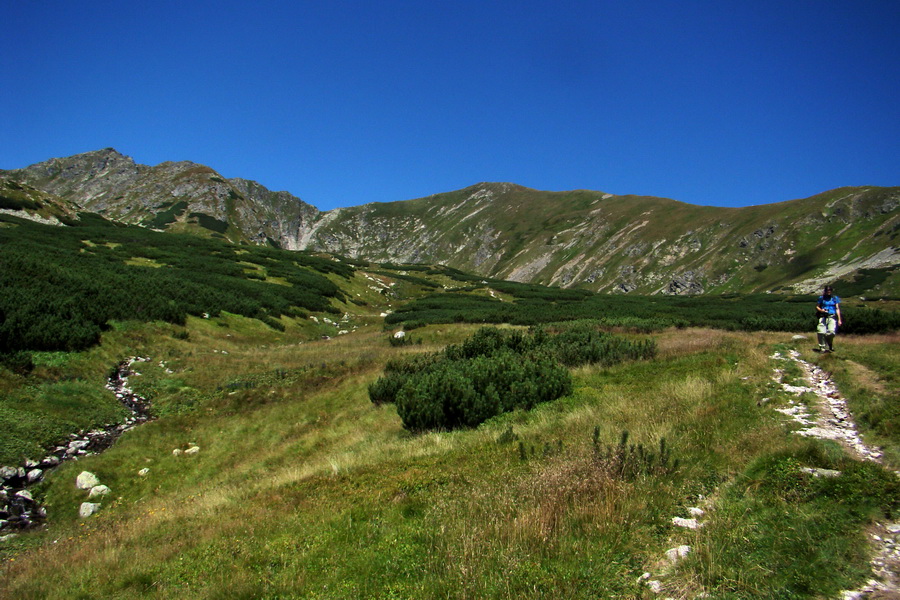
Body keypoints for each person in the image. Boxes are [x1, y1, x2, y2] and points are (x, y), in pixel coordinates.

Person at [815, 285, 842, 352]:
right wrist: (821, 310)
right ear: (825, 291)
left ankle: (829, 343)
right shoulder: (821, 298)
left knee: (831, 332)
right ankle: (822, 348)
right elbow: (817, 306)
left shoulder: (835, 298)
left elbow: (837, 308)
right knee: (821, 331)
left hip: (832, 316)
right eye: (827, 290)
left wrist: (839, 319)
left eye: (830, 290)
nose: (828, 292)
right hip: (823, 316)